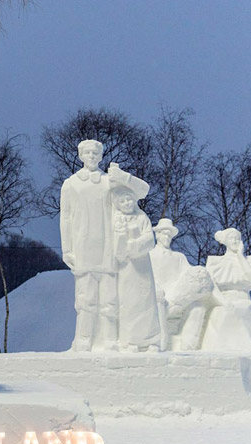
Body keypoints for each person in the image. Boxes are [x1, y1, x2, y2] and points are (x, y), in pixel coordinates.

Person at [59, 140, 115, 351]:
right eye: (88, 152)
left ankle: (109, 339)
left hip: (107, 246)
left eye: (96, 153)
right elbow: (65, 217)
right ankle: (84, 339)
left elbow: (138, 193)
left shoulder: (109, 182)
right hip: (83, 245)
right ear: (81, 155)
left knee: (109, 298)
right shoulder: (71, 184)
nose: (92, 156)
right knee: (85, 298)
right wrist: (67, 248)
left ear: (101, 156)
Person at [108, 165, 161, 351]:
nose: (128, 204)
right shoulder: (115, 219)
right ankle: (130, 340)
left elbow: (149, 240)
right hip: (126, 269)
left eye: (130, 200)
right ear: (118, 203)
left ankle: (150, 339)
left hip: (142, 266)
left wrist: (133, 245)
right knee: (128, 303)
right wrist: (123, 239)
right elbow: (116, 248)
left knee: (146, 301)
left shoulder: (142, 217)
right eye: (123, 201)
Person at [201, 228, 251, 351]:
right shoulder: (217, 263)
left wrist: (241, 257)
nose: (235, 241)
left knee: (242, 311)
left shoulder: (250, 261)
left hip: (243, 300)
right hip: (222, 301)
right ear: (225, 241)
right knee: (221, 315)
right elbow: (212, 286)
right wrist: (223, 302)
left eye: (237, 238)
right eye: (231, 238)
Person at [150, 218, 212, 350]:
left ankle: (189, 346)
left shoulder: (179, 257)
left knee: (198, 306)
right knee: (158, 301)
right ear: (157, 234)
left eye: (169, 234)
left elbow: (189, 273)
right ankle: (162, 343)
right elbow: (146, 277)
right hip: (157, 298)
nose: (166, 237)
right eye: (164, 233)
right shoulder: (149, 255)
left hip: (176, 298)